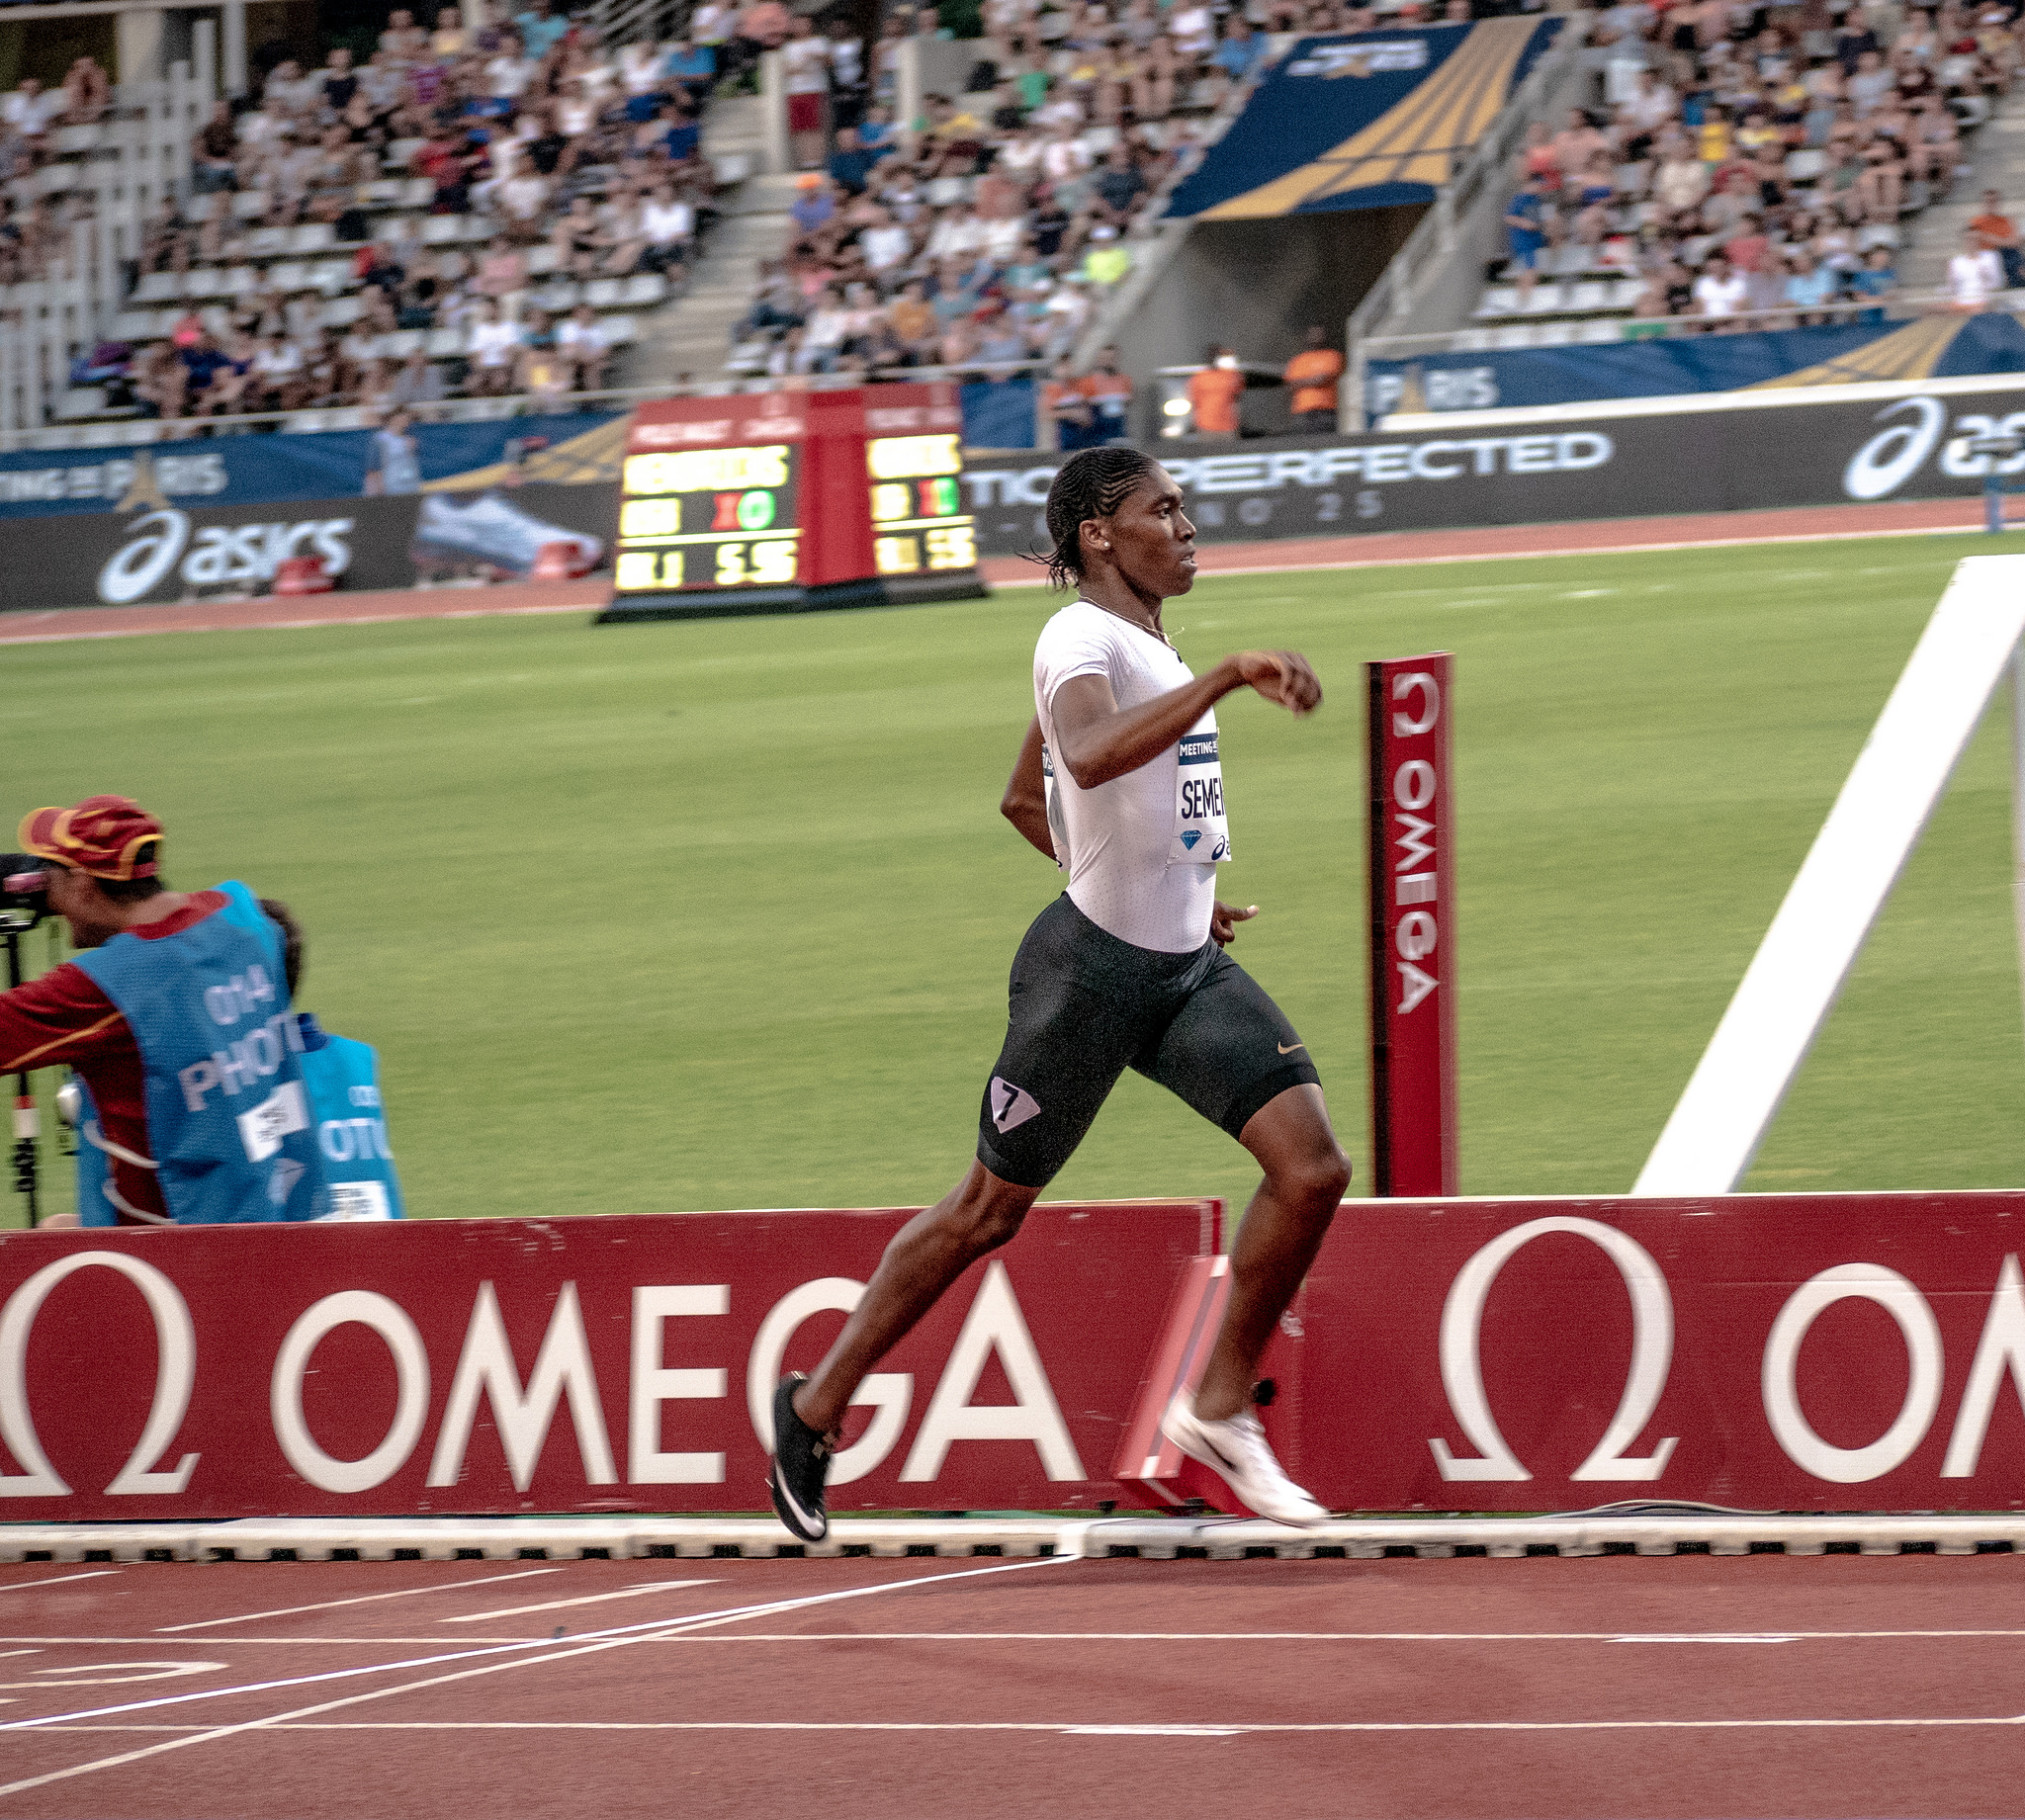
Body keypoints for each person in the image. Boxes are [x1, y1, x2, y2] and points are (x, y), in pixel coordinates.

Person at [766, 446, 1350, 1540]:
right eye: (1161, 510)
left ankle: (1218, 1406)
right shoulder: (1075, 636)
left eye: (1183, 509)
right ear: (1096, 531)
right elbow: (1079, 757)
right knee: (987, 1211)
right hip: (1086, 978)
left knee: (1311, 1166)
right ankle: (811, 1406)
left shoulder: (1135, 637)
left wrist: (1176, 880)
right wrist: (1223, 678)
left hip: (1179, 965)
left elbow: (1020, 798)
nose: (1186, 528)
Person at [0, 797, 327, 1227]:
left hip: (179, 1245)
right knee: (55, 1230)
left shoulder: (106, 986)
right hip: (276, 1205)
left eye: (49, 875)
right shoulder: (243, 919)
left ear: (82, 886)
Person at [1281, 325, 1344, 434]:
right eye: (1313, 334)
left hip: (1325, 412)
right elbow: (1290, 385)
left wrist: (1302, 382)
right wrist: (1312, 380)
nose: (1316, 337)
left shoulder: (1332, 356)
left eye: (1319, 334)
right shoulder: (1298, 360)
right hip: (1302, 412)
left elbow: (1323, 379)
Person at [1188, 344, 1244, 437]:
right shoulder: (1199, 378)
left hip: (1228, 427)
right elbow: (1194, 404)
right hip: (1206, 427)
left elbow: (1237, 399)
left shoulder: (1232, 376)